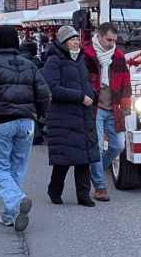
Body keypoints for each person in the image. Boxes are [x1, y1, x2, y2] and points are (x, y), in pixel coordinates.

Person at [0, 26, 50, 230]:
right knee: (18, 166)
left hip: (0, 121)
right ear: (17, 41)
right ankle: (10, 214)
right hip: (26, 121)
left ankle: (16, 201)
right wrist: (40, 115)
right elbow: (44, 93)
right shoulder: (29, 65)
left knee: (0, 167)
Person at [41, 26, 100, 207]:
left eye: (77, 39)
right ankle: (54, 190)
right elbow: (52, 88)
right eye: (72, 39)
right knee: (64, 159)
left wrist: (93, 94)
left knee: (84, 158)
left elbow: (85, 83)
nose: (76, 42)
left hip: (83, 115)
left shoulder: (80, 59)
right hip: (63, 116)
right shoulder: (54, 60)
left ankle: (83, 196)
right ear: (63, 42)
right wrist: (79, 97)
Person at [83, 21, 133, 202]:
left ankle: (94, 171)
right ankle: (100, 187)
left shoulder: (118, 56)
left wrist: (126, 107)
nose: (112, 44)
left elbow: (126, 82)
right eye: (109, 40)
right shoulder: (86, 53)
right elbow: (81, 80)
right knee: (96, 146)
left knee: (118, 146)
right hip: (94, 108)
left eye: (114, 40)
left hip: (114, 108)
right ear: (99, 36)